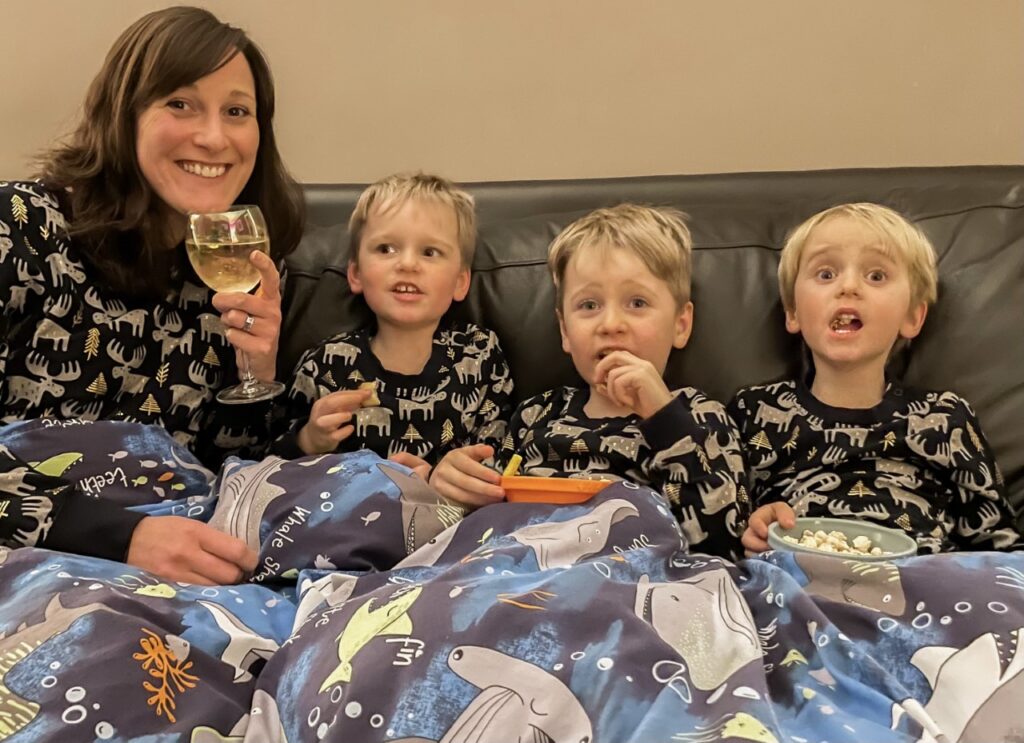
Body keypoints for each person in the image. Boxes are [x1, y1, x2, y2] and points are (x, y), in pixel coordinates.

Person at [0, 6, 306, 583]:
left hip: (183, 566)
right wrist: (122, 538)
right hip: (40, 560)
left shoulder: (244, 266)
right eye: (180, 104)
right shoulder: (19, 226)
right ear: (124, 115)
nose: (213, 137)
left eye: (236, 111)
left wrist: (257, 372)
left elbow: (220, 471)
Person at [429, 204, 744, 558]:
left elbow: (723, 542)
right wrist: (451, 487)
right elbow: (487, 513)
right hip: (524, 575)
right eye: (589, 305)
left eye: (637, 302)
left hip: (634, 582)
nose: (610, 324)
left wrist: (664, 417)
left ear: (680, 325)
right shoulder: (536, 415)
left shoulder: (700, 417)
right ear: (565, 330)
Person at [730, 203, 1023, 554]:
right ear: (793, 311)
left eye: (876, 276)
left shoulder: (945, 417)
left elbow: (999, 543)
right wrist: (755, 531)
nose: (849, 286)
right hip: (800, 582)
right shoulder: (756, 410)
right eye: (826, 274)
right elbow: (724, 530)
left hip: (924, 585)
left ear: (913, 317)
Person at [273, 173, 512, 473]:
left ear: (460, 282)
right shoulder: (325, 366)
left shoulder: (479, 355)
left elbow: (497, 455)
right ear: (356, 273)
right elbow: (272, 465)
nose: (407, 264)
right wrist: (309, 440)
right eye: (386, 249)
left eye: (430, 252)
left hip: (451, 516)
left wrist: (445, 483)